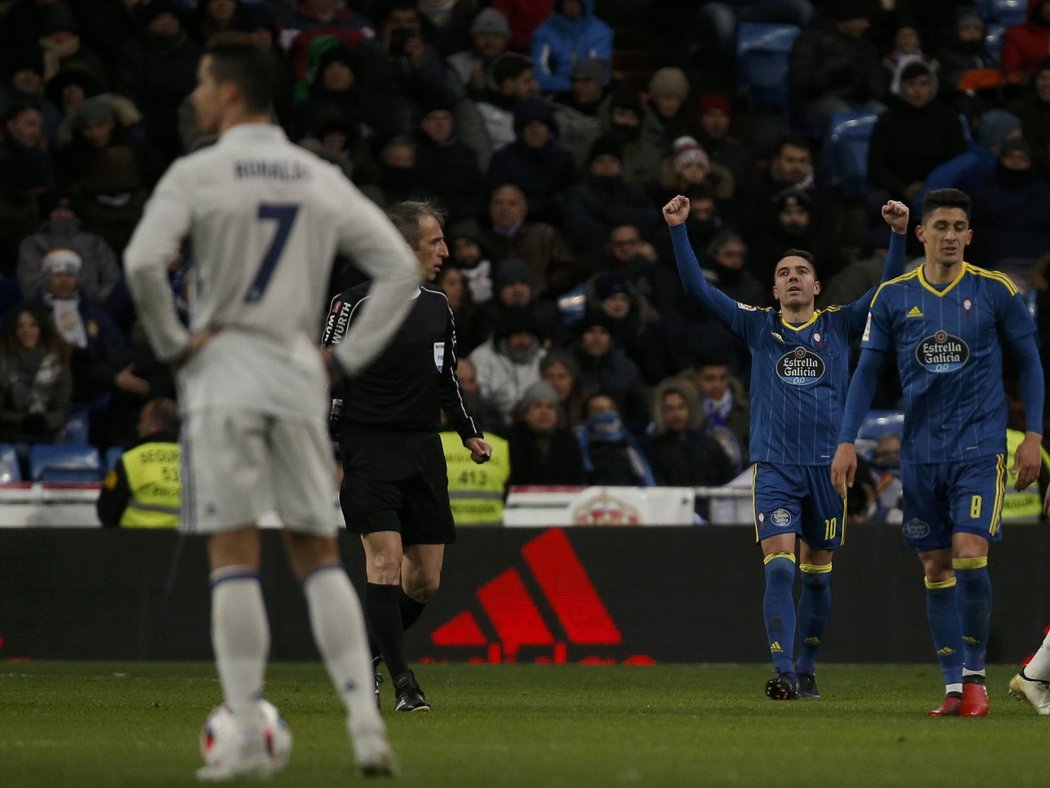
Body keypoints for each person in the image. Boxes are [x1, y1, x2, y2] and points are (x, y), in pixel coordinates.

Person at [123, 39, 420, 779]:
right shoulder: (317, 175)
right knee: (317, 554)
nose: (194, 95)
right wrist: (342, 358)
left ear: (227, 93)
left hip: (224, 370)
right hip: (296, 371)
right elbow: (396, 267)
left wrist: (176, 345)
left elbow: (139, 264)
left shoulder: (197, 171)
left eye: (200, 82)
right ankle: (363, 726)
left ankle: (250, 736)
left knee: (234, 556)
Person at [665, 192, 908, 700]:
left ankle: (807, 667)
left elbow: (886, 292)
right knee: (779, 567)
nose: (793, 276)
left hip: (828, 470)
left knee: (817, 579)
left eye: (801, 271)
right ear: (774, 289)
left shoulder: (839, 324)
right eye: (783, 272)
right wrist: (679, 230)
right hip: (774, 467)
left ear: (816, 286)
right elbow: (694, 288)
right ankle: (783, 672)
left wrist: (898, 236)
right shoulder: (757, 325)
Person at [830, 188, 1045, 718]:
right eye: (940, 226)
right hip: (920, 453)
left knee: (970, 551)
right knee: (934, 564)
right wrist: (844, 441)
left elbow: (1032, 364)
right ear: (921, 233)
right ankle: (952, 687)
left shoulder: (996, 290)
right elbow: (865, 374)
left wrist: (1034, 437)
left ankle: (976, 681)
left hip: (979, 447)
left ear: (969, 236)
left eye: (958, 227)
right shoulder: (895, 297)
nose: (949, 236)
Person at [323, 199, 492, 714]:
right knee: (385, 561)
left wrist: (467, 432)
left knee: (424, 579)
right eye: (435, 242)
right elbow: (322, 378)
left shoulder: (437, 306)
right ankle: (403, 683)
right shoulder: (350, 305)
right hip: (367, 447)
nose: (445, 251)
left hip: (423, 449)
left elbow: (446, 380)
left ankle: (364, 658)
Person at [96, 397, 181, 528]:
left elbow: (106, 510)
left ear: (155, 426)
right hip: (186, 543)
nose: (138, 426)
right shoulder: (195, 460)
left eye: (142, 421)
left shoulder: (132, 459)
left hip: (136, 542)